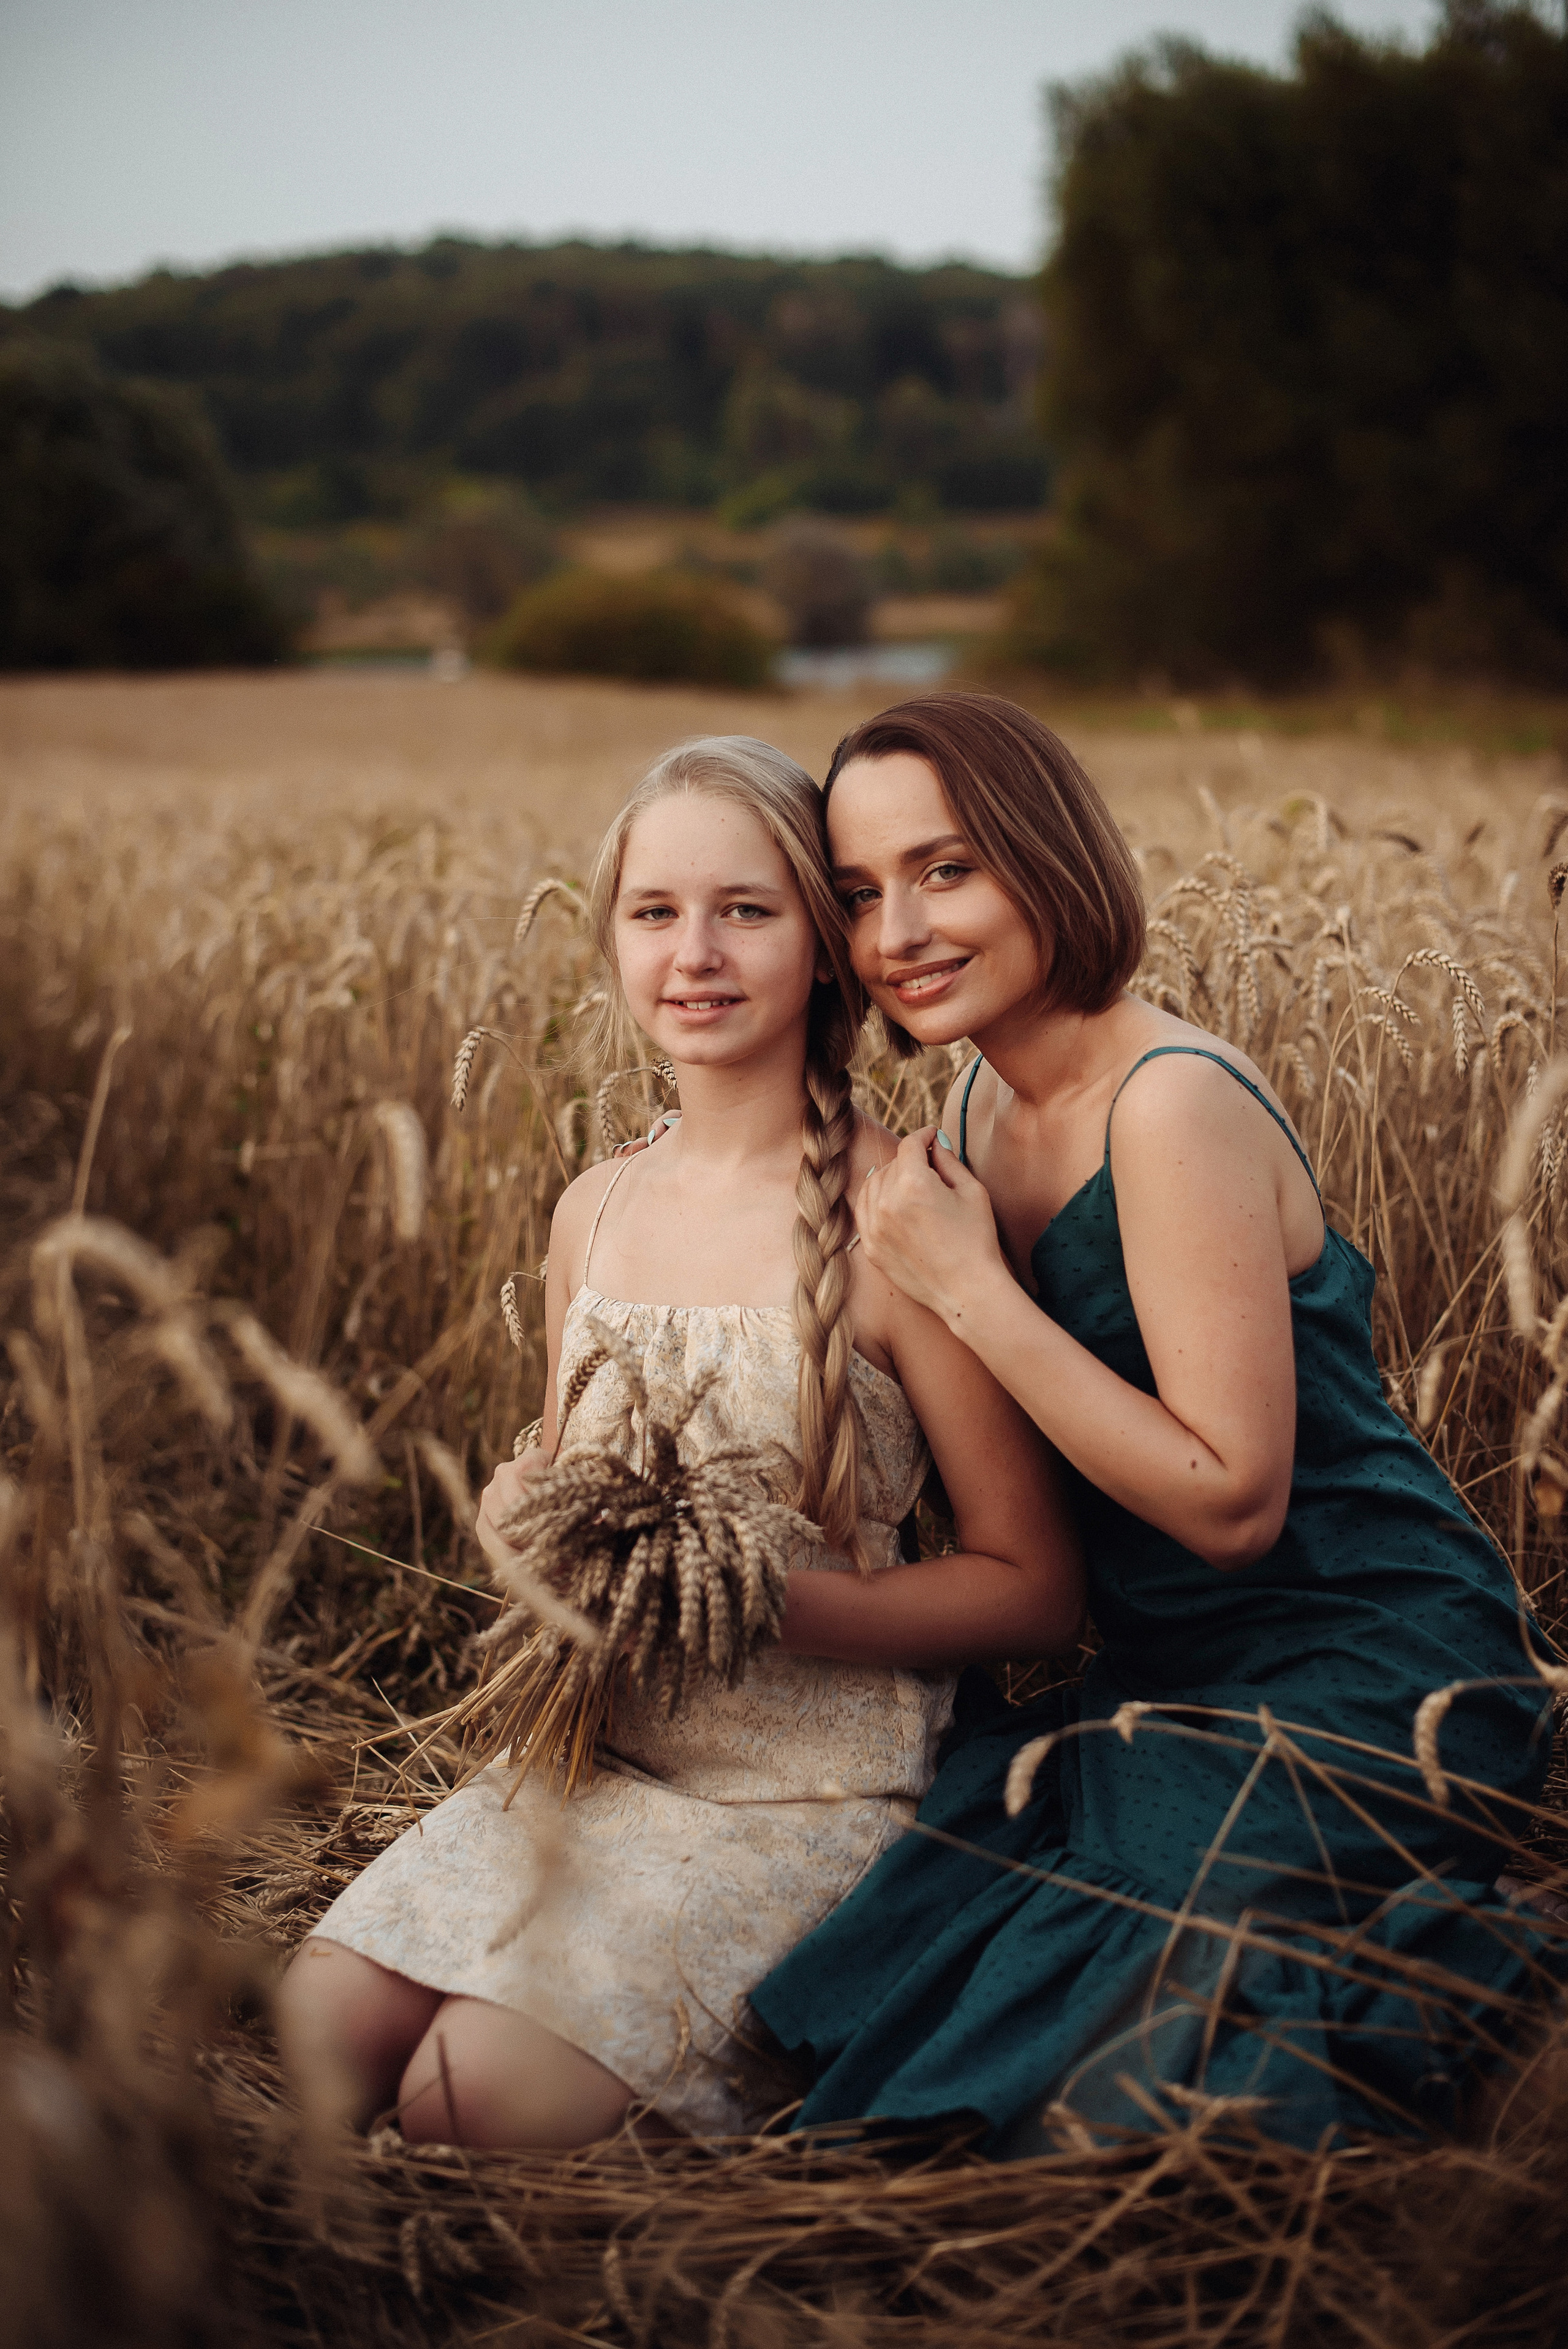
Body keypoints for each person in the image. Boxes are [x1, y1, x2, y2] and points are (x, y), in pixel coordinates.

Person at [750, 691, 1564, 2153]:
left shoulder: (1166, 1105)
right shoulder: (979, 1115)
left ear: (1045, 857)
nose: (898, 935)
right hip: (1163, 1668)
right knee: (954, 1911)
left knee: (1144, 2029)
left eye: (946, 871)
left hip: (1364, 1651)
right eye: (860, 895)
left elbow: (1229, 1501)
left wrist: (971, 1293)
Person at [276, 735, 1082, 2150]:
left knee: (459, 2103)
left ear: (827, 951)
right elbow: (557, 1478)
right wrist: (512, 1524)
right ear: (609, 940)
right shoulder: (595, 1207)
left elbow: (1031, 1584)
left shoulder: (901, 1220)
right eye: (654, 914)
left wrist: (765, 1600)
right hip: (586, 1764)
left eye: (746, 911)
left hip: (798, 1792)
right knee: (316, 2039)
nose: (693, 955)